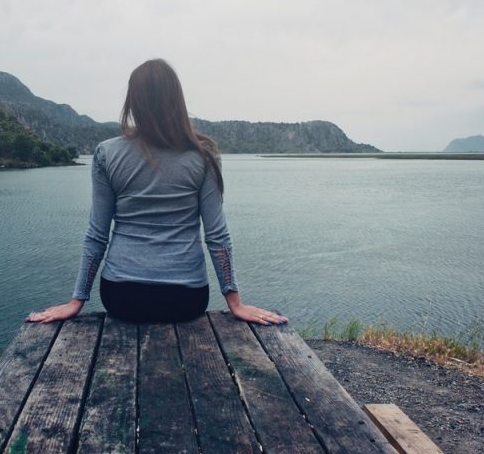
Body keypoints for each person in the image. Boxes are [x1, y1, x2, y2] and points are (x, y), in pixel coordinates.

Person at [26, 59, 288, 326]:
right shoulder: (203, 155)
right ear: (176, 99)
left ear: (133, 101)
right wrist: (235, 302)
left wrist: (77, 300)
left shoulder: (107, 153)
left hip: (120, 297)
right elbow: (217, 235)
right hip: (187, 299)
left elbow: (97, 234)